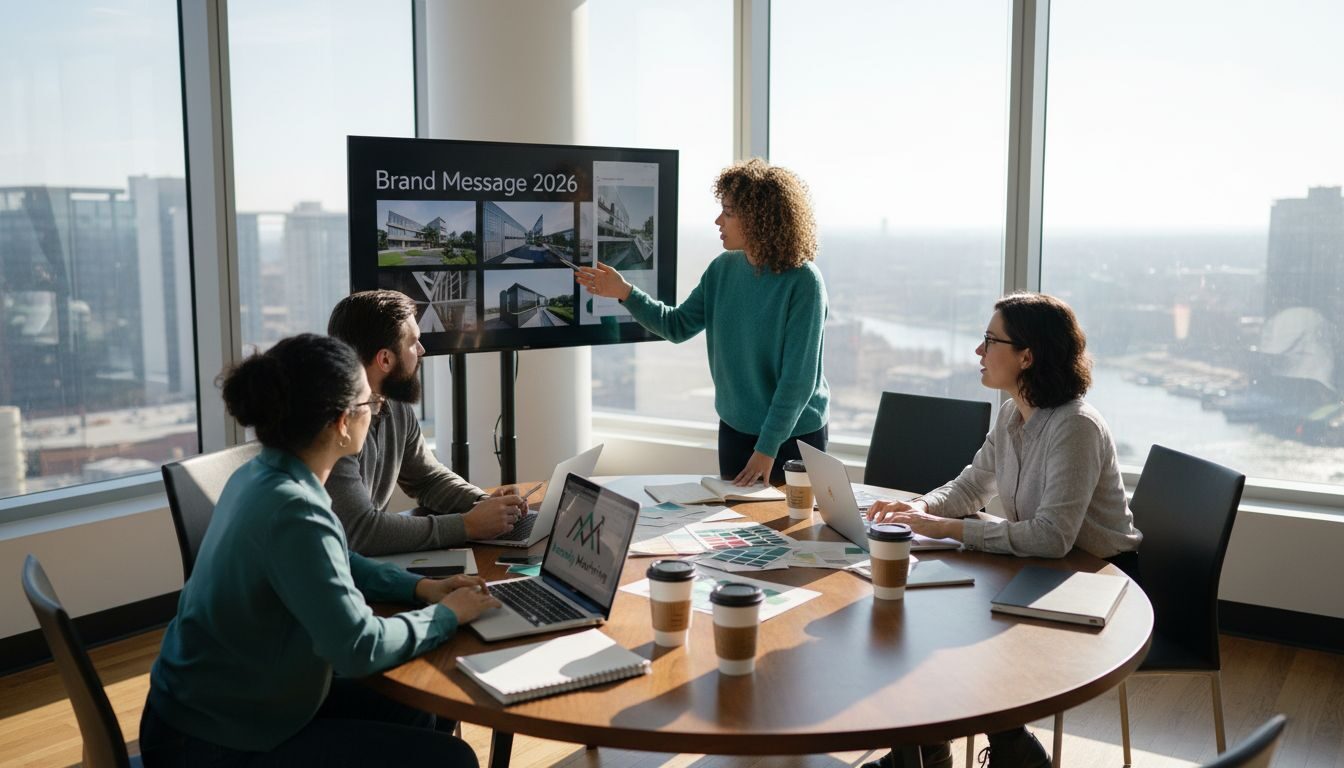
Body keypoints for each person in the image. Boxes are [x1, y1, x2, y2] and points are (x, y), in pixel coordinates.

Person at [139, 334, 499, 766]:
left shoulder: (261, 473)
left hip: (215, 704)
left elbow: (340, 562)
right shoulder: (295, 509)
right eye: (369, 404)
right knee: (452, 759)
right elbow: (359, 648)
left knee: (422, 702)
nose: (377, 409)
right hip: (213, 739)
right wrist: (448, 615)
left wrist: (421, 588)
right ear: (341, 423)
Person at [863, 292, 1142, 768]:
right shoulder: (1013, 413)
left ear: (1026, 356)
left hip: (1093, 581)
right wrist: (916, 508)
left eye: (990, 340)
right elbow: (972, 485)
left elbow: (1053, 536)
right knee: (926, 622)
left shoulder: (1075, 427)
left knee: (951, 631)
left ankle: (976, 753)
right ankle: (935, 751)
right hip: (1043, 568)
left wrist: (948, 527)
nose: (979, 351)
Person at [576, 158, 829, 486]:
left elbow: (797, 382)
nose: (718, 220)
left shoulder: (804, 282)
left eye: (729, 211)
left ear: (758, 218)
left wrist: (766, 449)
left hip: (794, 437)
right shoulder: (722, 269)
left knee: (793, 534)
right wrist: (624, 292)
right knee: (734, 532)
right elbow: (677, 326)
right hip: (735, 430)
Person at [326, 290, 528, 555]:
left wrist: (484, 505)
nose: (422, 350)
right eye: (413, 342)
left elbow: (427, 479)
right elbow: (360, 532)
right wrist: (466, 525)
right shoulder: (331, 425)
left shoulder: (392, 403)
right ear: (385, 359)